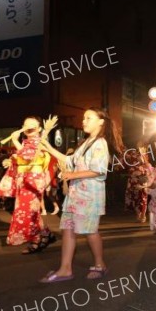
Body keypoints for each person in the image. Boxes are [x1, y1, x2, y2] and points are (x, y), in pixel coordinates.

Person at [39, 107, 124, 282]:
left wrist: (71, 175)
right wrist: (47, 147)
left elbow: (99, 170)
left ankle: (100, 265)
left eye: (88, 118)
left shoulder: (100, 143)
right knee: (68, 229)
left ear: (101, 121)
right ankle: (65, 269)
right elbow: (69, 160)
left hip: (89, 196)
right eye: (84, 118)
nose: (83, 121)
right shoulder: (87, 142)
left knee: (90, 231)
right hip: (75, 193)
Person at [0, 116, 56, 254]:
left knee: (29, 211)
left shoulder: (41, 142)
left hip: (34, 180)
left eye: (32, 125)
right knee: (31, 210)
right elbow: (22, 158)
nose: (28, 127)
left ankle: (37, 240)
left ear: (39, 128)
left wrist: (15, 142)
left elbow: (30, 157)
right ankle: (46, 234)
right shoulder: (26, 142)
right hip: (25, 179)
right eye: (25, 125)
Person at [124, 144, 152, 223]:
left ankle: (143, 215)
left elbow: (147, 165)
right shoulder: (133, 153)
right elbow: (126, 161)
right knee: (134, 196)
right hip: (133, 178)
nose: (141, 148)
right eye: (140, 146)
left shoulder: (145, 155)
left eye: (143, 147)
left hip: (142, 178)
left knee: (143, 197)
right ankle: (138, 213)